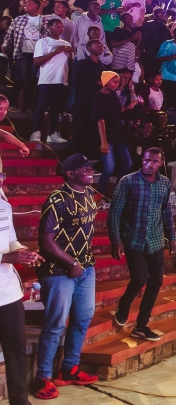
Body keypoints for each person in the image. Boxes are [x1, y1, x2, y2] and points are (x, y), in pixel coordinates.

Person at [34, 154, 101, 397]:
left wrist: (81, 263)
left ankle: (69, 369)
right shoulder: (57, 199)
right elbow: (45, 241)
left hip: (85, 268)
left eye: (89, 167)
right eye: (84, 168)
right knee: (55, 325)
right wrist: (71, 262)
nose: (89, 171)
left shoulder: (89, 195)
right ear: (70, 173)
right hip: (58, 271)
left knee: (82, 319)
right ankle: (43, 378)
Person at [108, 146, 176, 342]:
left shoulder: (164, 183)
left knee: (156, 281)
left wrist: (172, 237)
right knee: (139, 278)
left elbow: (166, 212)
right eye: (147, 160)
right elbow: (115, 213)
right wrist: (117, 239)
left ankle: (141, 325)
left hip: (155, 240)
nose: (150, 164)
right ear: (142, 160)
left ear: (160, 163)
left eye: (155, 161)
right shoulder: (127, 181)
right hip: (133, 239)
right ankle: (124, 304)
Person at [0, 101, 39, 405]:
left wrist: (23, 252)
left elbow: (10, 239)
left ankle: (20, 401)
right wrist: (10, 258)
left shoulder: (4, 203)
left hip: (9, 293)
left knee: (17, 349)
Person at [30, 17, 72, 144]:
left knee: (55, 107)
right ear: (49, 27)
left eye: (62, 26)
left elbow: (70, 63)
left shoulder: (67, 43)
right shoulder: (43, 42)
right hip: (47, 79)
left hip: (61, 79)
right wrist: (55, 52)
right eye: (57, 26)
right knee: (41, 105)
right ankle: (36, 132)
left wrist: (70, 55)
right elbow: (36, 61)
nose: (60, 28)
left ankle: (53, 134)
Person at [93, 71, 132, 196]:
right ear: (106, 81)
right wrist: (103, 142)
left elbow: (115, 111)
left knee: (127, 164)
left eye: (118, 82)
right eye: (114, 82)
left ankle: (115, 194)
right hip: (107, 135)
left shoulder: (113, 94)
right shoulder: (99, 97)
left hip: (118, 134)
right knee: (109, 168)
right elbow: (100, 120)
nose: (117, 84)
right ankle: (100, 195)